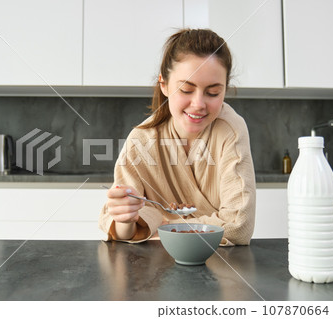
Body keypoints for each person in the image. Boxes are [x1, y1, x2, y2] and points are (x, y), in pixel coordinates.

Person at [98, 28, 256, 246]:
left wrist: (162, 224)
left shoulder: (230, 130)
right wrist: (126, 218)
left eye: (213, 93)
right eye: (186, 89)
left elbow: (239, 226)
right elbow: (125, 231)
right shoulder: (141, 141)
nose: (199, 104)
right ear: (164, 85)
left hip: (218, 266)